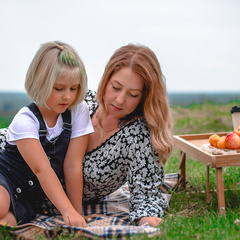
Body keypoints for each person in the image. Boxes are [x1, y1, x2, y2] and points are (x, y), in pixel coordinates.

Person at [0, 41, 94, 227]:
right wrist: (66, 211)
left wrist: (76, 213)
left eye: (73, 88)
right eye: (59, 88)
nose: (67, 96)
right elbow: (41, 169)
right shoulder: (25, 120)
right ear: (40, 83)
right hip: (6, 178)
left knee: (10, 222)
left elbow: (73, 164)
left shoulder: (78, 111)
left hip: (30, 198)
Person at [82, 43, 173, 227]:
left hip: (32, 196)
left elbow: (146, 196)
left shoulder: (137, 137)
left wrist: (146, 219)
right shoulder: (82, 102)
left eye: (132, 94)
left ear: (144, 97)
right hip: (15, 164)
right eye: (116, 87)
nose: (120, 100)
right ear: (106, 79)